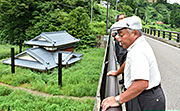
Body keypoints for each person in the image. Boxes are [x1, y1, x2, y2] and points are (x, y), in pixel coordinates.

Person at [101, 16, 166, 111]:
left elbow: (142, 83)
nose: (119, 39)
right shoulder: (137, 46)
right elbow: (128, 63)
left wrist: (117, 99)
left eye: (121, 35)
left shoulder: (138, 51)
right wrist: (117, 72)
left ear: (135, 33)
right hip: (143, 96)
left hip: (145, 99)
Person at [112, 14, 127, 84]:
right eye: (120, 19)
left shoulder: (126, 27)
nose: (121, 20)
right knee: (120, 61)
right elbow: (113, 33)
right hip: (119, 45)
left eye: (123, 18)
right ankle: (124, 79)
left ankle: (125, 79)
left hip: (124, 47)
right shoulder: (117, 26)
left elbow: (120, 37)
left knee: (124, 62)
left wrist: (117, 37)